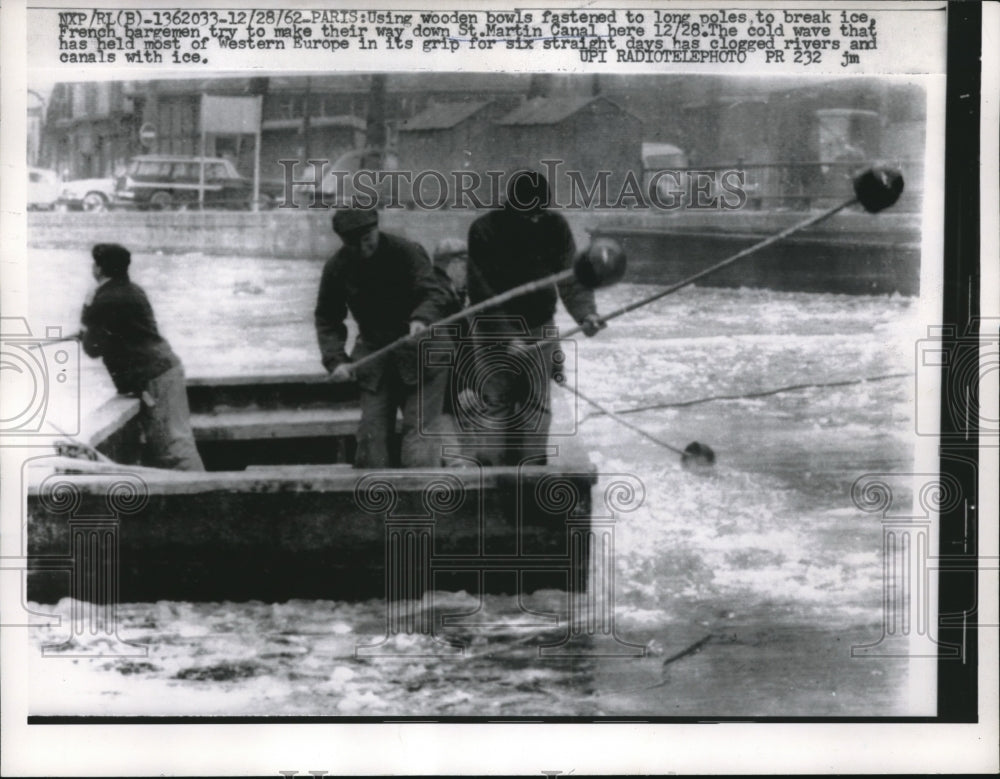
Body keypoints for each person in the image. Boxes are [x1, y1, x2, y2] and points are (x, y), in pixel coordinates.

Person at [465, 170, 605, 465]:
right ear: (514, 206)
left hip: (540, 328)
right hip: (493, 334)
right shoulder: (484, 230)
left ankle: (531, 478)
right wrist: (508, 338)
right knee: (495, 404)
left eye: (541, 212)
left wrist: (586, 314)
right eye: (531, 214)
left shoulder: (554, 226)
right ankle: (493, 483)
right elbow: (482, 294)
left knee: (537, 409)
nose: (537, 219)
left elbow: (572, 278)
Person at [315, 208, 454, 468]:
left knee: (419, 436)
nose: (363, 248)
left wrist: (421, 318)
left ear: (376, 229)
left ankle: (421, 500)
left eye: (368, 239)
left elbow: (434, 293)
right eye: (354, 244)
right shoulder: (337, 267)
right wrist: (336, 360)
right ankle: (374, 502)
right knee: (371, 438)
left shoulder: (407, 251)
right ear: (345, 241)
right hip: (376, 356)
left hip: (424, 351)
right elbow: (327, 318)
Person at [80, 243, 204, 470]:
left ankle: (207, 498)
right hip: (166, 369)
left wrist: (87, 308)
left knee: (174, 448)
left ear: (98, 268)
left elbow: (92, 348)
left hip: (152, 378)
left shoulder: (104, 299)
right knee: (175, 442)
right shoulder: (134, 290)